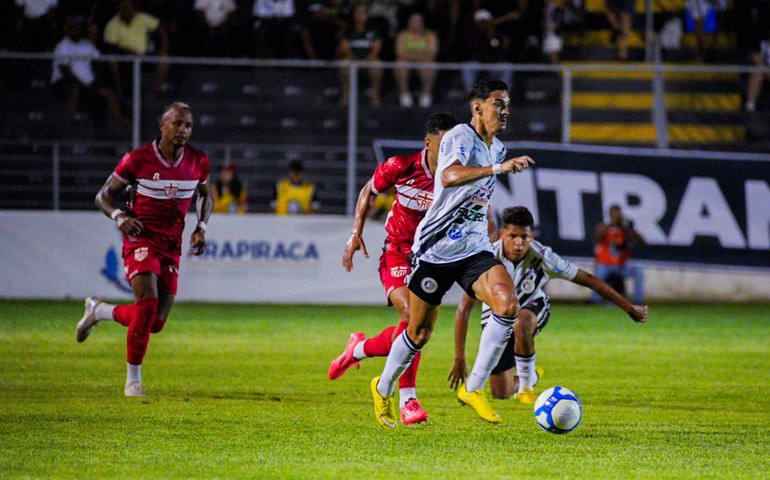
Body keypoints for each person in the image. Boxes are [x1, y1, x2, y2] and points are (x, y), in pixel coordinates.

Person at [369, 79, 535, 428]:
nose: (505, 110)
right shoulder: (460, 135)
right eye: (498, 104)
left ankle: (473, 388)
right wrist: (497, 169)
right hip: (436, 248)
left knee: (507, 304)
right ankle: (382, 387)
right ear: (477, 108)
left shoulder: (497, 148)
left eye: (507, 104)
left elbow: (479, 198)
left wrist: (489, 226)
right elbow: (448, 175)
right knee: (418, 333)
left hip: (473, 248)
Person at [75, 102, 213, 397]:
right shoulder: (137, 159)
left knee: (156, 323)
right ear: (162, 126)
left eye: (188, 125)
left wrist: (201, 227)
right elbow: (103, 196)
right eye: (177, 123)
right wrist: (119, 216)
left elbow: (205, 195)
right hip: (141, 238)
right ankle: (133, 380)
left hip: (171, 245)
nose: (183, 129)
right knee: (147, 305)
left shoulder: (198, 160)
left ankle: (99, 311)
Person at [330, 112, 460, 426]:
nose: (449, 152)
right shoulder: (401, 167)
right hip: (397, 253)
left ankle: (357, 350)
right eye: (443, 144)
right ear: (427, 142)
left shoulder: (457, 176)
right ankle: (408, 401)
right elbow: (368, 191)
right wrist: (355, 233)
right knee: (412, 318)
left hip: (431, 260)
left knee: (418, 331)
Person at [450, 206, 649, 404]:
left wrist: (629, 308)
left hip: (533, 307)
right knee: (501, 392)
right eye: (513, 236)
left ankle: (526, 390)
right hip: (497, 321)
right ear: (502, 234)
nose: (519, 243)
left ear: (532, 235)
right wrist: (459, 358)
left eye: (524, 237)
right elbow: (463, 309)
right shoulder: (487, 259)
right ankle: (532, 375)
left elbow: (588, 280)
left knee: (521, 322)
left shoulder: (544, 257)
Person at [51, 18, 130, 131]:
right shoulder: (62, 46)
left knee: (108, 93)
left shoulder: (87, 45)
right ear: (67, 30)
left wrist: (95, 79)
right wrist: (81, 83)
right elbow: (64, 69)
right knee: (75, 87)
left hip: (89, 82)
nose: (77, 30)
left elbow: (99, 60)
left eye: (79, 28)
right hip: (65, 81)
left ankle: (120, 122)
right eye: (74, 28)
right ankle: (72, 122)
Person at [590, 204, 646, 305]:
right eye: (615, 215)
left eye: (619, 215)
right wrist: (612, 224)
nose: (618, 217)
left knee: (639, 270)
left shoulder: (625, 230)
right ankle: (595, 301)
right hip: (606, 265)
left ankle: (638, 301)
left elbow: (642, 242)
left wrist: (631, 229)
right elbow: (598, 237)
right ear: (610, 215)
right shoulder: (604, 227)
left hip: (621, 266)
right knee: (599, 272)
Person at [338, 4, 384, 107]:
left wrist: (367, 60)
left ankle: (374, 96)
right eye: (358, 13)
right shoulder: (348, 30)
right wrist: (355, 59)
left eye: (363, 13)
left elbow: (376, 49)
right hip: (352, 59)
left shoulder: (374, 29)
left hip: (369, 59)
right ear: (354, 15)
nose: (360, 16)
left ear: (367, 15)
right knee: (344, 64)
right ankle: (346, 96)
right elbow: (345, 48)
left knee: (377, 66)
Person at [394, 12, 438, 108]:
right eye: (413, 21)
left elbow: (432, 52)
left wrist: (411, 55)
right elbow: (400, 53)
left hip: (423, 63)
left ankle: (426, 95)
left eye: (418, 21)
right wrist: (420, 55)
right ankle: (404, 95)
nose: (416, 23)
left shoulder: (430, 35)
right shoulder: (403, 35)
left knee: (429, 66)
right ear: (409, 23)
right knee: (400, 64)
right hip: (407, 62)